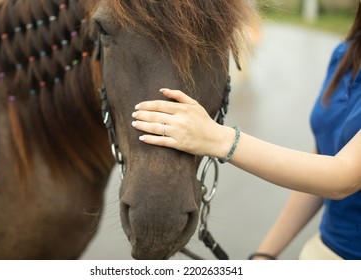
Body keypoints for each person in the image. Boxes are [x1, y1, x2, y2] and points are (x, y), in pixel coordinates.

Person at [131, 5, 361, 260]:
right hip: (322, 250)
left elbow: (344, 177)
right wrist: (265, 254)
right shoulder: (346, 54)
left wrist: (216, 137)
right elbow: (322, 163)